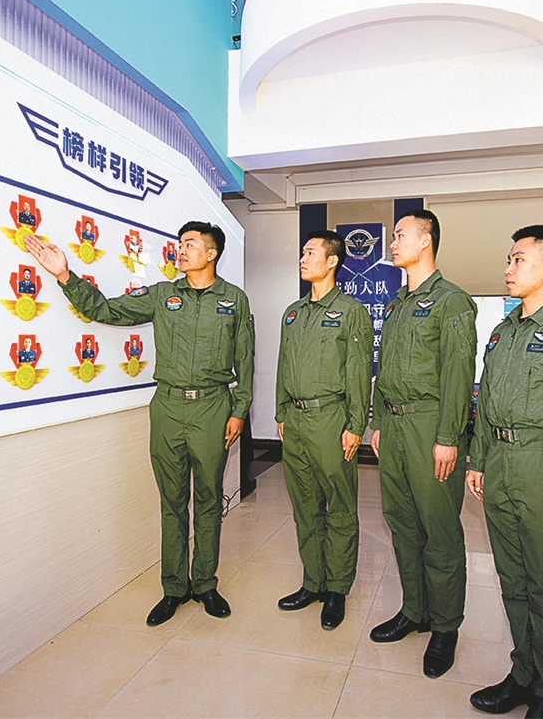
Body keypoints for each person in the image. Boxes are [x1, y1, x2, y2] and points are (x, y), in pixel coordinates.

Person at [24, 221, 254, 626]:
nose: (180, 250)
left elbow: (246, 357)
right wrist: (65, 275)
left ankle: (205, 583)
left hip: (213, 406)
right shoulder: (163, 295)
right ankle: (174, 589)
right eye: (180, 244)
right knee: (172, 502)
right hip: (167, 407)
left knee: (208, 498)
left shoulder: (233, 299)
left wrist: (240, 410)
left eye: (189, 244)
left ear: (211, 253)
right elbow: (106, 310)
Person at [467, 226, 543, 719]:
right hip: (499, 464)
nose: (508, 268)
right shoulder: (504, 330)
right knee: (513, 581)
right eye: (509, 259)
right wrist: (477, 460)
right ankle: (524, 674)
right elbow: (486, 401)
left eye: (518, 260)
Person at [369, 210, 477, 678]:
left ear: (426, 240)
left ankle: (446, 626)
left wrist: (449, 437)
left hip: (430, 425)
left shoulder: (452, 301)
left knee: (439, 530)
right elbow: (384, 369)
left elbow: (458, 373)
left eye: (400, 235)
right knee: (402, 523)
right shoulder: (397, 304)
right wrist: (377, 421)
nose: (392, 244)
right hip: (393, 427)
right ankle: (415, 610)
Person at [275, 231, 374, 630]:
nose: (303, 258)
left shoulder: (350, 311)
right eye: (302, 252)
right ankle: (313, 582)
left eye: (311, 253)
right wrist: (281, 412)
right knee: (305, 506)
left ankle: (336, 589)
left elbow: (359, 370)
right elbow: (283, 364)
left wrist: (356, 424)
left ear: (332, 261)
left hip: (331, 419)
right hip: (295, 421)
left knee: (340, 507)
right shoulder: (293, 313)